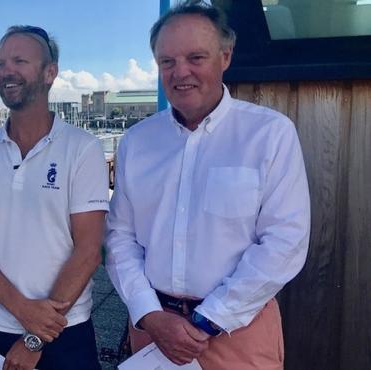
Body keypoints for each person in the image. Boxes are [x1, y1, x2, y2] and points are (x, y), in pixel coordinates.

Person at [105, 1, 310, 369]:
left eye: (195, 57)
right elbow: (120, 236)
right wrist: (149, 314)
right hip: (154, 332)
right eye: (167, 61)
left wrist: (209, 318)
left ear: (225, 57)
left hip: (238, 333)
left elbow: (286, 241)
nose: (180, 72)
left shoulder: (269, 134)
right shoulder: (136, 141)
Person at [0, 25, 110, 370]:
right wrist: (23, 310)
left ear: (49, 72)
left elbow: (89, 250)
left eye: (20, 61)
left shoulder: (82, 149)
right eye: (0, 63)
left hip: (64, 328)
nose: (6, 71)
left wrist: (35, 335)